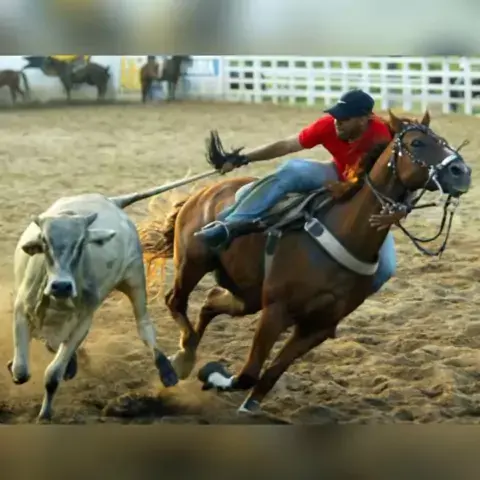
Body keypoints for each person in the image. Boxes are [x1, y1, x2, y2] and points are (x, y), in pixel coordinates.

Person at [194, 89, 401, 293]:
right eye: (336, 115)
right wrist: (243, 158)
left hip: (366, 196)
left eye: (345, 118)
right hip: (336, 174)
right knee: (293, 169)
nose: (337, 121)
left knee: (385, 270)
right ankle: (228, 225)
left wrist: (400, 211)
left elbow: (403, 181)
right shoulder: (328, 125)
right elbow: (287, 145)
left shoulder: (383, 138)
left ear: (364, 119)